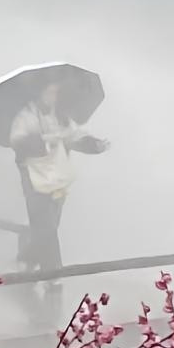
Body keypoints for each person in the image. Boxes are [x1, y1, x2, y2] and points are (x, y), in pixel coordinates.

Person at [8, 89, 107, 272]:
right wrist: (46, 141)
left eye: (55, 93)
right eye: (48, 92)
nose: (52, 97)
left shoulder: (61, 116)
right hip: (34, 179)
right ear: (38, 93)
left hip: (57, 178)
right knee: (45, 224)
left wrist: (94, 145)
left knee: (50, 224)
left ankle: (27, 260)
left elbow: (75, 137)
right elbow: (17, 142)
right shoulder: (26, 116)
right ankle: (53, 273)